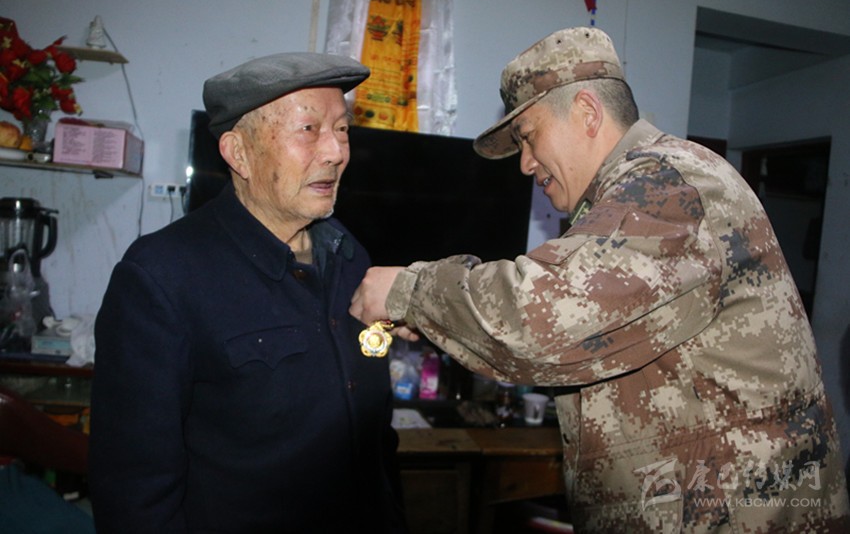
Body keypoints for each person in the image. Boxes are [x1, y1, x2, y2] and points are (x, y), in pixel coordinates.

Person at [350, 27, 850, 532]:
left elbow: (538, 320)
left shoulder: (668, 184)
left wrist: (408, 290)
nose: (525, 164)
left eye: (528, 137)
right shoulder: (634, 196)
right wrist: (438, 321)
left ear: (587, 113)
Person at [90, 53, 407, 533]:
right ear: (238, 153)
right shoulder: (161, 277)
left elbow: (375, 437)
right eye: (308, 129)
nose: (335, 152)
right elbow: (134, 491)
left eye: (341, 129)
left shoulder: (349, 257)